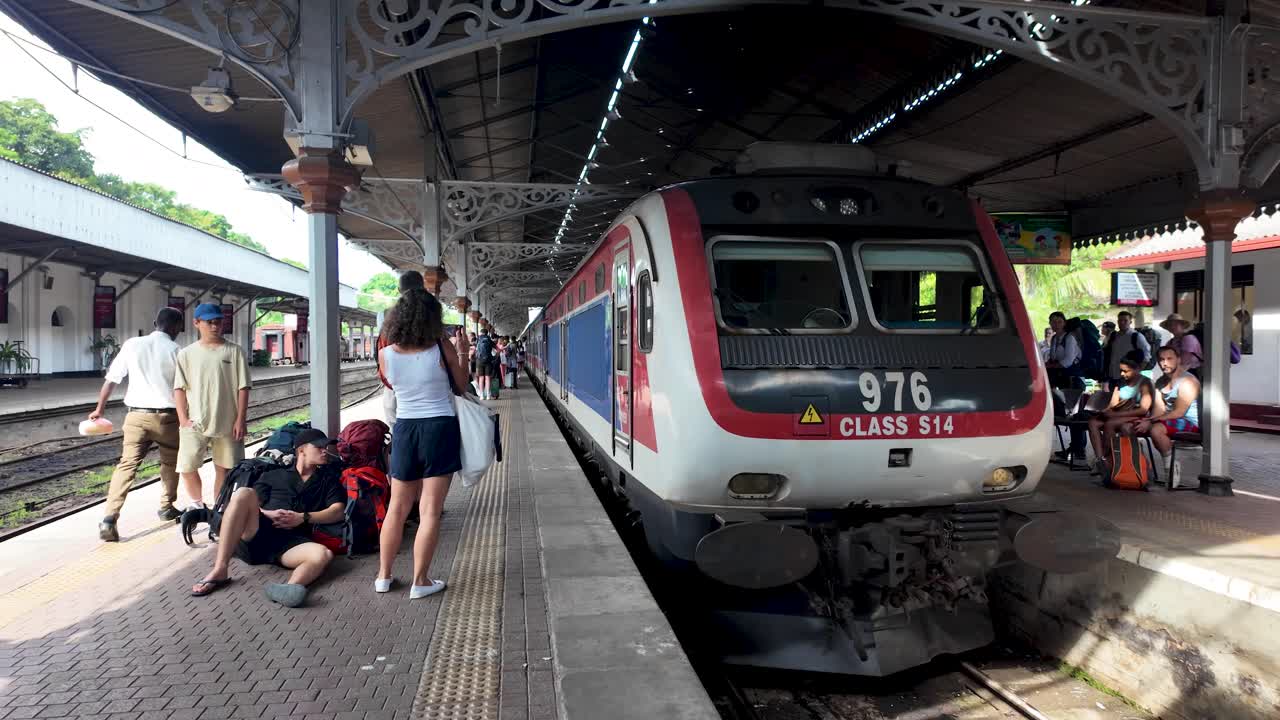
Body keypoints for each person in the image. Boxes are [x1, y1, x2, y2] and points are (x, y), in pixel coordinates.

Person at [376, 287, 469, 599]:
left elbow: (391, 384)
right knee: (429, 510)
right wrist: (464, 352)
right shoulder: (442, 348)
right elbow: (461, 385)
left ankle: (384, 577)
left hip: (404, 430)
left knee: (397, 508)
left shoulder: (385, 354)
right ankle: (420, 581)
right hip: (439, 429)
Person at [190, 429, 345, 607]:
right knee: (244, 493)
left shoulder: (328, 480)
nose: (325, 450)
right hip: (257, 533)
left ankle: (290, 588)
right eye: (319, 447)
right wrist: (268, 513)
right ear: (301, 450)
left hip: (290, 544)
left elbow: (338, 511)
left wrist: (303, 517)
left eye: (326, 446)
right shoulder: (273, 475)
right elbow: (251, 505)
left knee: (323, 553)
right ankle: (220, 569)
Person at [91, 307, 185, 542]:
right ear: (176, 327)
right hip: (167, 418)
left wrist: (99, 409)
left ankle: (109, 518)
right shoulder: (176, 350)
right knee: (171, 461)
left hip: (135, 417)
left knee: (127, 465)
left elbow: (112, 379)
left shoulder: (132, 344)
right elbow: (183, 389)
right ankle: (166, 506)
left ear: (155, 322)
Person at [174, 304, 251, 510]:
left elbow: (243, 387)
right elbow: (179, 388)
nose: (215, 326)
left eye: (218, 321)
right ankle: (197, 505)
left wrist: (240, 419)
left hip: (228, 421)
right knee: (187, 465)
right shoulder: (186, 354)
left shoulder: (234, 351)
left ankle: (219, 510)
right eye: (209, 322)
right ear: (197, 323)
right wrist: (183, 419)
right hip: (195, 421)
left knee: (225, 469)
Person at [1131, 347, 1201, 487]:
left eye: (1169, 359)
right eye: (1161, 359)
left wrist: (1150, 422)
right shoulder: (1160, 382)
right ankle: (1142, 468)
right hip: (1167, 420)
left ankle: (1171, 469)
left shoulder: (1188, 381)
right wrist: (1146, 420)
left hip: (1189, 422)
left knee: (1156, 430)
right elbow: (1158, 410)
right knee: (1130, 426)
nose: (1165, 363)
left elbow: (1179, 412)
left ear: (1178, 360)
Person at [1086, 351, 1155, 476]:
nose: (1122, 374)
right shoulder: (1121, 383)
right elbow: (1113, 404)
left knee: (1110, 424)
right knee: (1093, 423)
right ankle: (1100, 459)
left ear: (1137, 369)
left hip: (1135, 415)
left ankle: (1109, 459)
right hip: (1120, 413)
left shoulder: (1145, 383)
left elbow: (1143, 409)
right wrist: (1105, 411)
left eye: (1126, 371)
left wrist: (1114, 415)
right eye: (1121, 371)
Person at [378, 270, 425, 425]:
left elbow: (383, 359)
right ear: (423, 288)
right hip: (428, 391)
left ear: (399, 291)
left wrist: (396, 385)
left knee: (397, 427)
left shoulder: (388, 319)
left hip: (397, 388)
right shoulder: (431, 320)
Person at [1102, 311, 1152, 389]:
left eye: (1125, 320)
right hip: (1113, 375)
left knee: (1126, 400)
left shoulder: (1136, 336)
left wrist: (1136, 373)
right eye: (1120, 320)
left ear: (1130, 322)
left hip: (1128, 377)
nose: (1122, 322)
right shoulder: (1114, 336)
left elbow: (1147, 356)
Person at [1043, 311, 1080, 389]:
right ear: (1050, 324)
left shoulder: (1070, 338)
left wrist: (1051, 366)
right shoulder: (1054, 338)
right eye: (1053, 322)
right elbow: (1053, 357)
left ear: (1064, 323)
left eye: (1059, 322)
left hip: (1070, 377)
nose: (1056, 325)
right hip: (1059, 374)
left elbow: (1068, 361)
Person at [474, 328, 495, 400]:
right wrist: (495, 357)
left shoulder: (477, 340)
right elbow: (497, 349)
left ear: (481, 333)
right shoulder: (489, 340)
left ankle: (482, 395)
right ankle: (488, 395)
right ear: (487, 333)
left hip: (479, 361)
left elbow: (474, 349)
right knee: (487, 378)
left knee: (481, 378)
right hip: (488, 360)